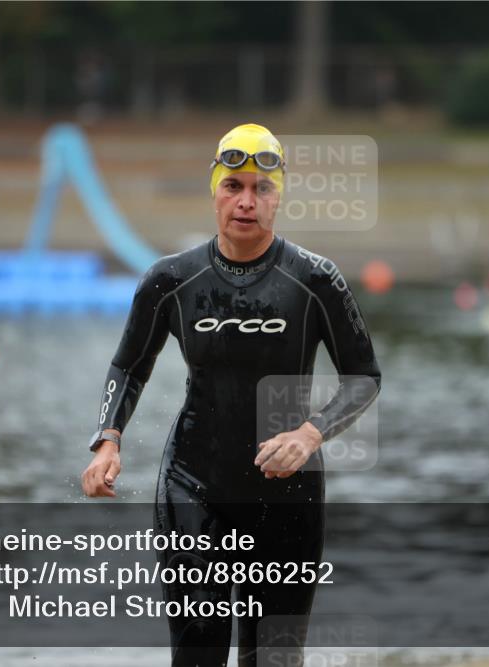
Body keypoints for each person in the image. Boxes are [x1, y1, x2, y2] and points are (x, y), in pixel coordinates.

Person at [81, 123, 381, 666]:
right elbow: (129, 364)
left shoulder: (316, 281)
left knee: (273, 659)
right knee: (199, 653)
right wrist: (108, 438)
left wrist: (311, 433)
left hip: (289, 491)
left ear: (278, 198)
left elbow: (364, 376)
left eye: (261, 189)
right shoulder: (169, 280)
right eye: (234, 186)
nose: (247, 201)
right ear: (214, 191)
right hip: (195, 485)